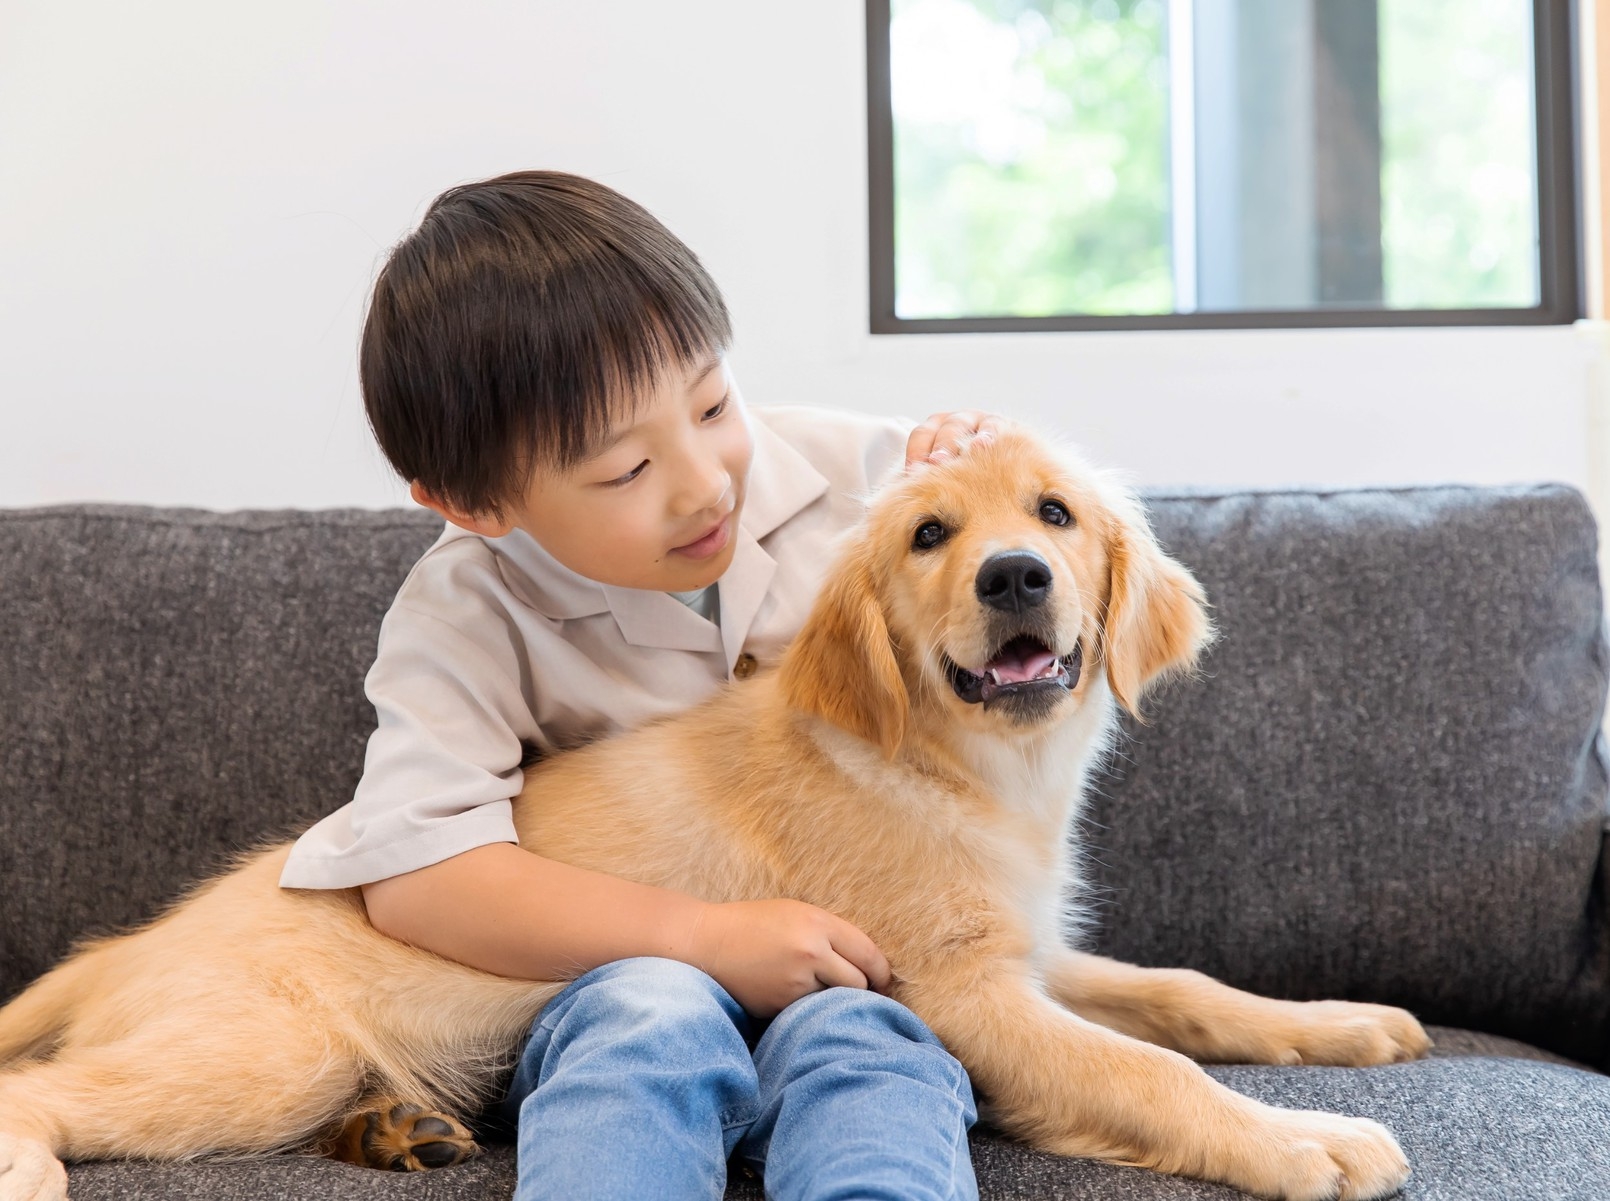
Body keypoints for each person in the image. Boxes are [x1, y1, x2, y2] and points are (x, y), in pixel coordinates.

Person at [280, 169, 1001, 1200]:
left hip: (854, 962)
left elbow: (1023, 567)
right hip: (615, 987)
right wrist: (702, 939)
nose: (705, 480)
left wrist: (971, 460)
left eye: (712, 402)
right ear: (476, 504)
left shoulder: (862, 479)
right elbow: (420, 872)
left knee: (872, 1042)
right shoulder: (461, 611)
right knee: (651, 1013)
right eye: (623, 471)